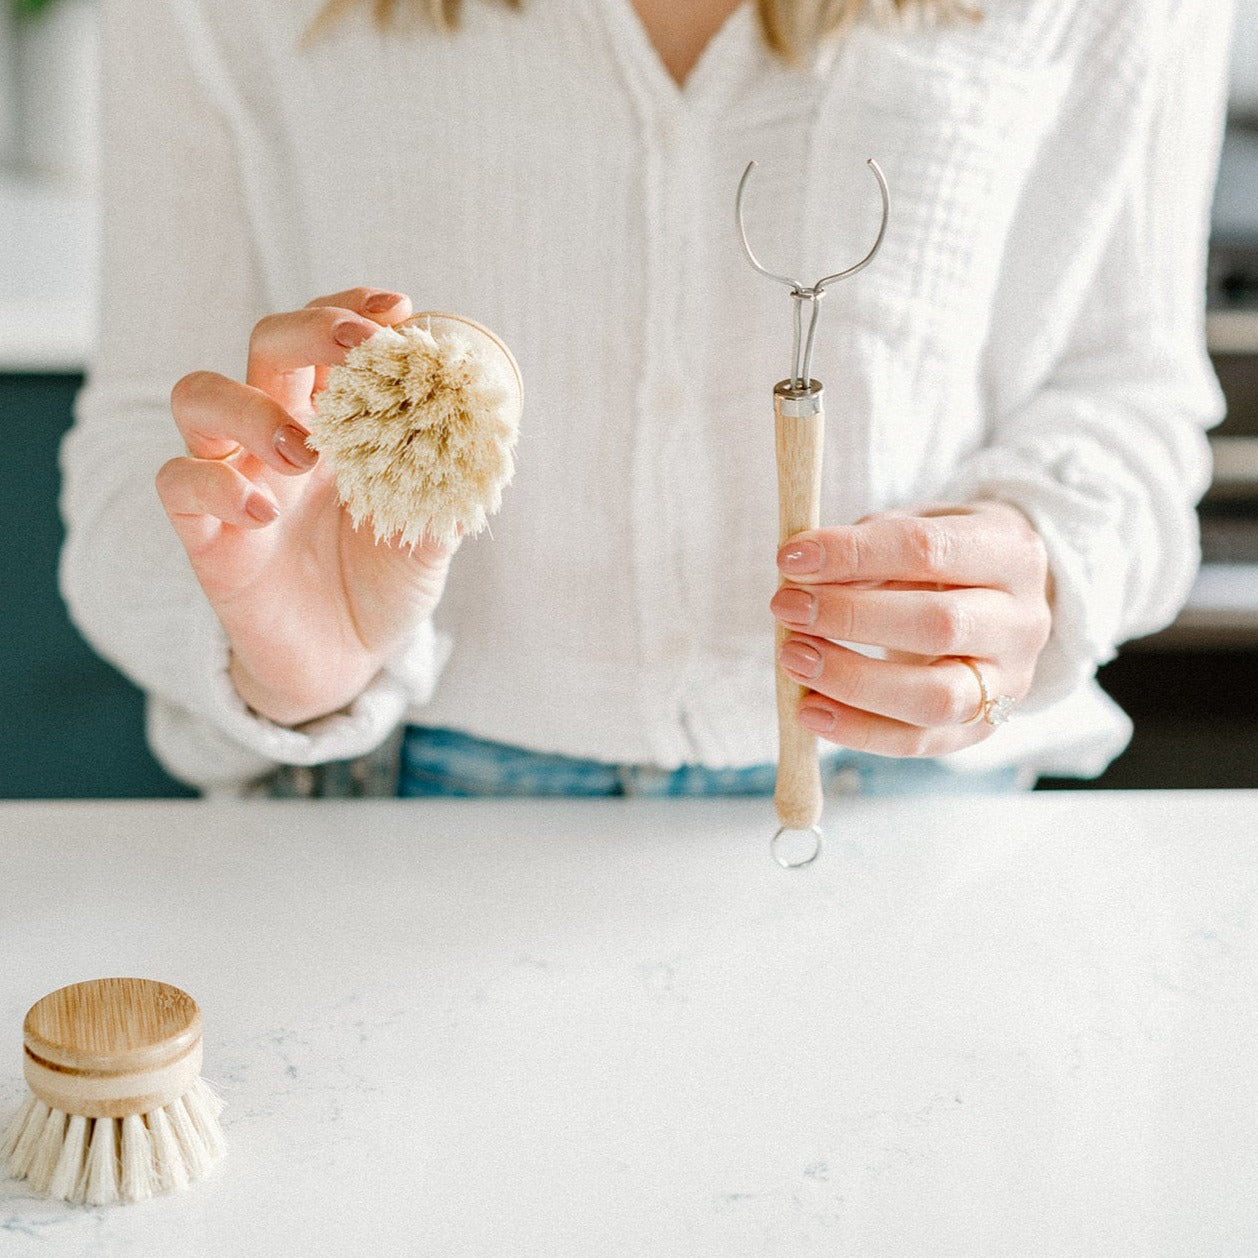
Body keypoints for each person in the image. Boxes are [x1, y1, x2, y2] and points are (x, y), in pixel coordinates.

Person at [60, 0, 1232, 798]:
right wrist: (279, 654)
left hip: (916, 834)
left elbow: (1127, 398)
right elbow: (133, 456)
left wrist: (1035, 572)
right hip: (387, 820)